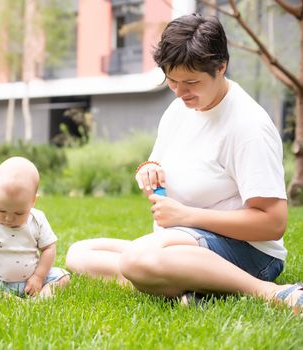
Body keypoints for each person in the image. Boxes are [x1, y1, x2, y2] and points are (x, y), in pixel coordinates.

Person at [65, 13, 302, 312]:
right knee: (80, 253)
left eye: (191, 82)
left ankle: (270, 291)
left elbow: (273, 222)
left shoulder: (247, 127)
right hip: (180, 246)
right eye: (172, 80)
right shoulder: (182, 108)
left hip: (249, 254)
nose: (179, 92)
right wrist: (147, 170)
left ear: (221, 67)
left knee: (137, 259)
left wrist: (186, 216)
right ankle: (190, 287)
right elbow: (157, 161)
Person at [0, 156, 70, 298]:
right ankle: (6, 298)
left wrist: (39, 276)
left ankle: (41, 299)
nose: (9, 218)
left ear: (33, 201)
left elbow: (49, 247)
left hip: (30, 281)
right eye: (1, 210)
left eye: (19, 213)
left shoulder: (37, 220)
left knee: (63, 277)